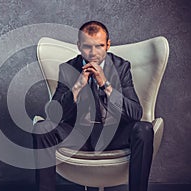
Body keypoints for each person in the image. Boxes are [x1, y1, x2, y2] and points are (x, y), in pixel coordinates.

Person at [33, 21, 154, 191]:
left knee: (144, 129)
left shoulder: (121, 67)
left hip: (113, 134)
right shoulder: (68, 68)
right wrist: (77, 86)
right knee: (42, 128)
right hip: (78, 134)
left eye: (99, 46)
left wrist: (106, 85)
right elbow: (53, 114)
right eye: (87, 47)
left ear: (108, 45)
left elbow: (135, 113)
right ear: (79, 46)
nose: (93, 53)